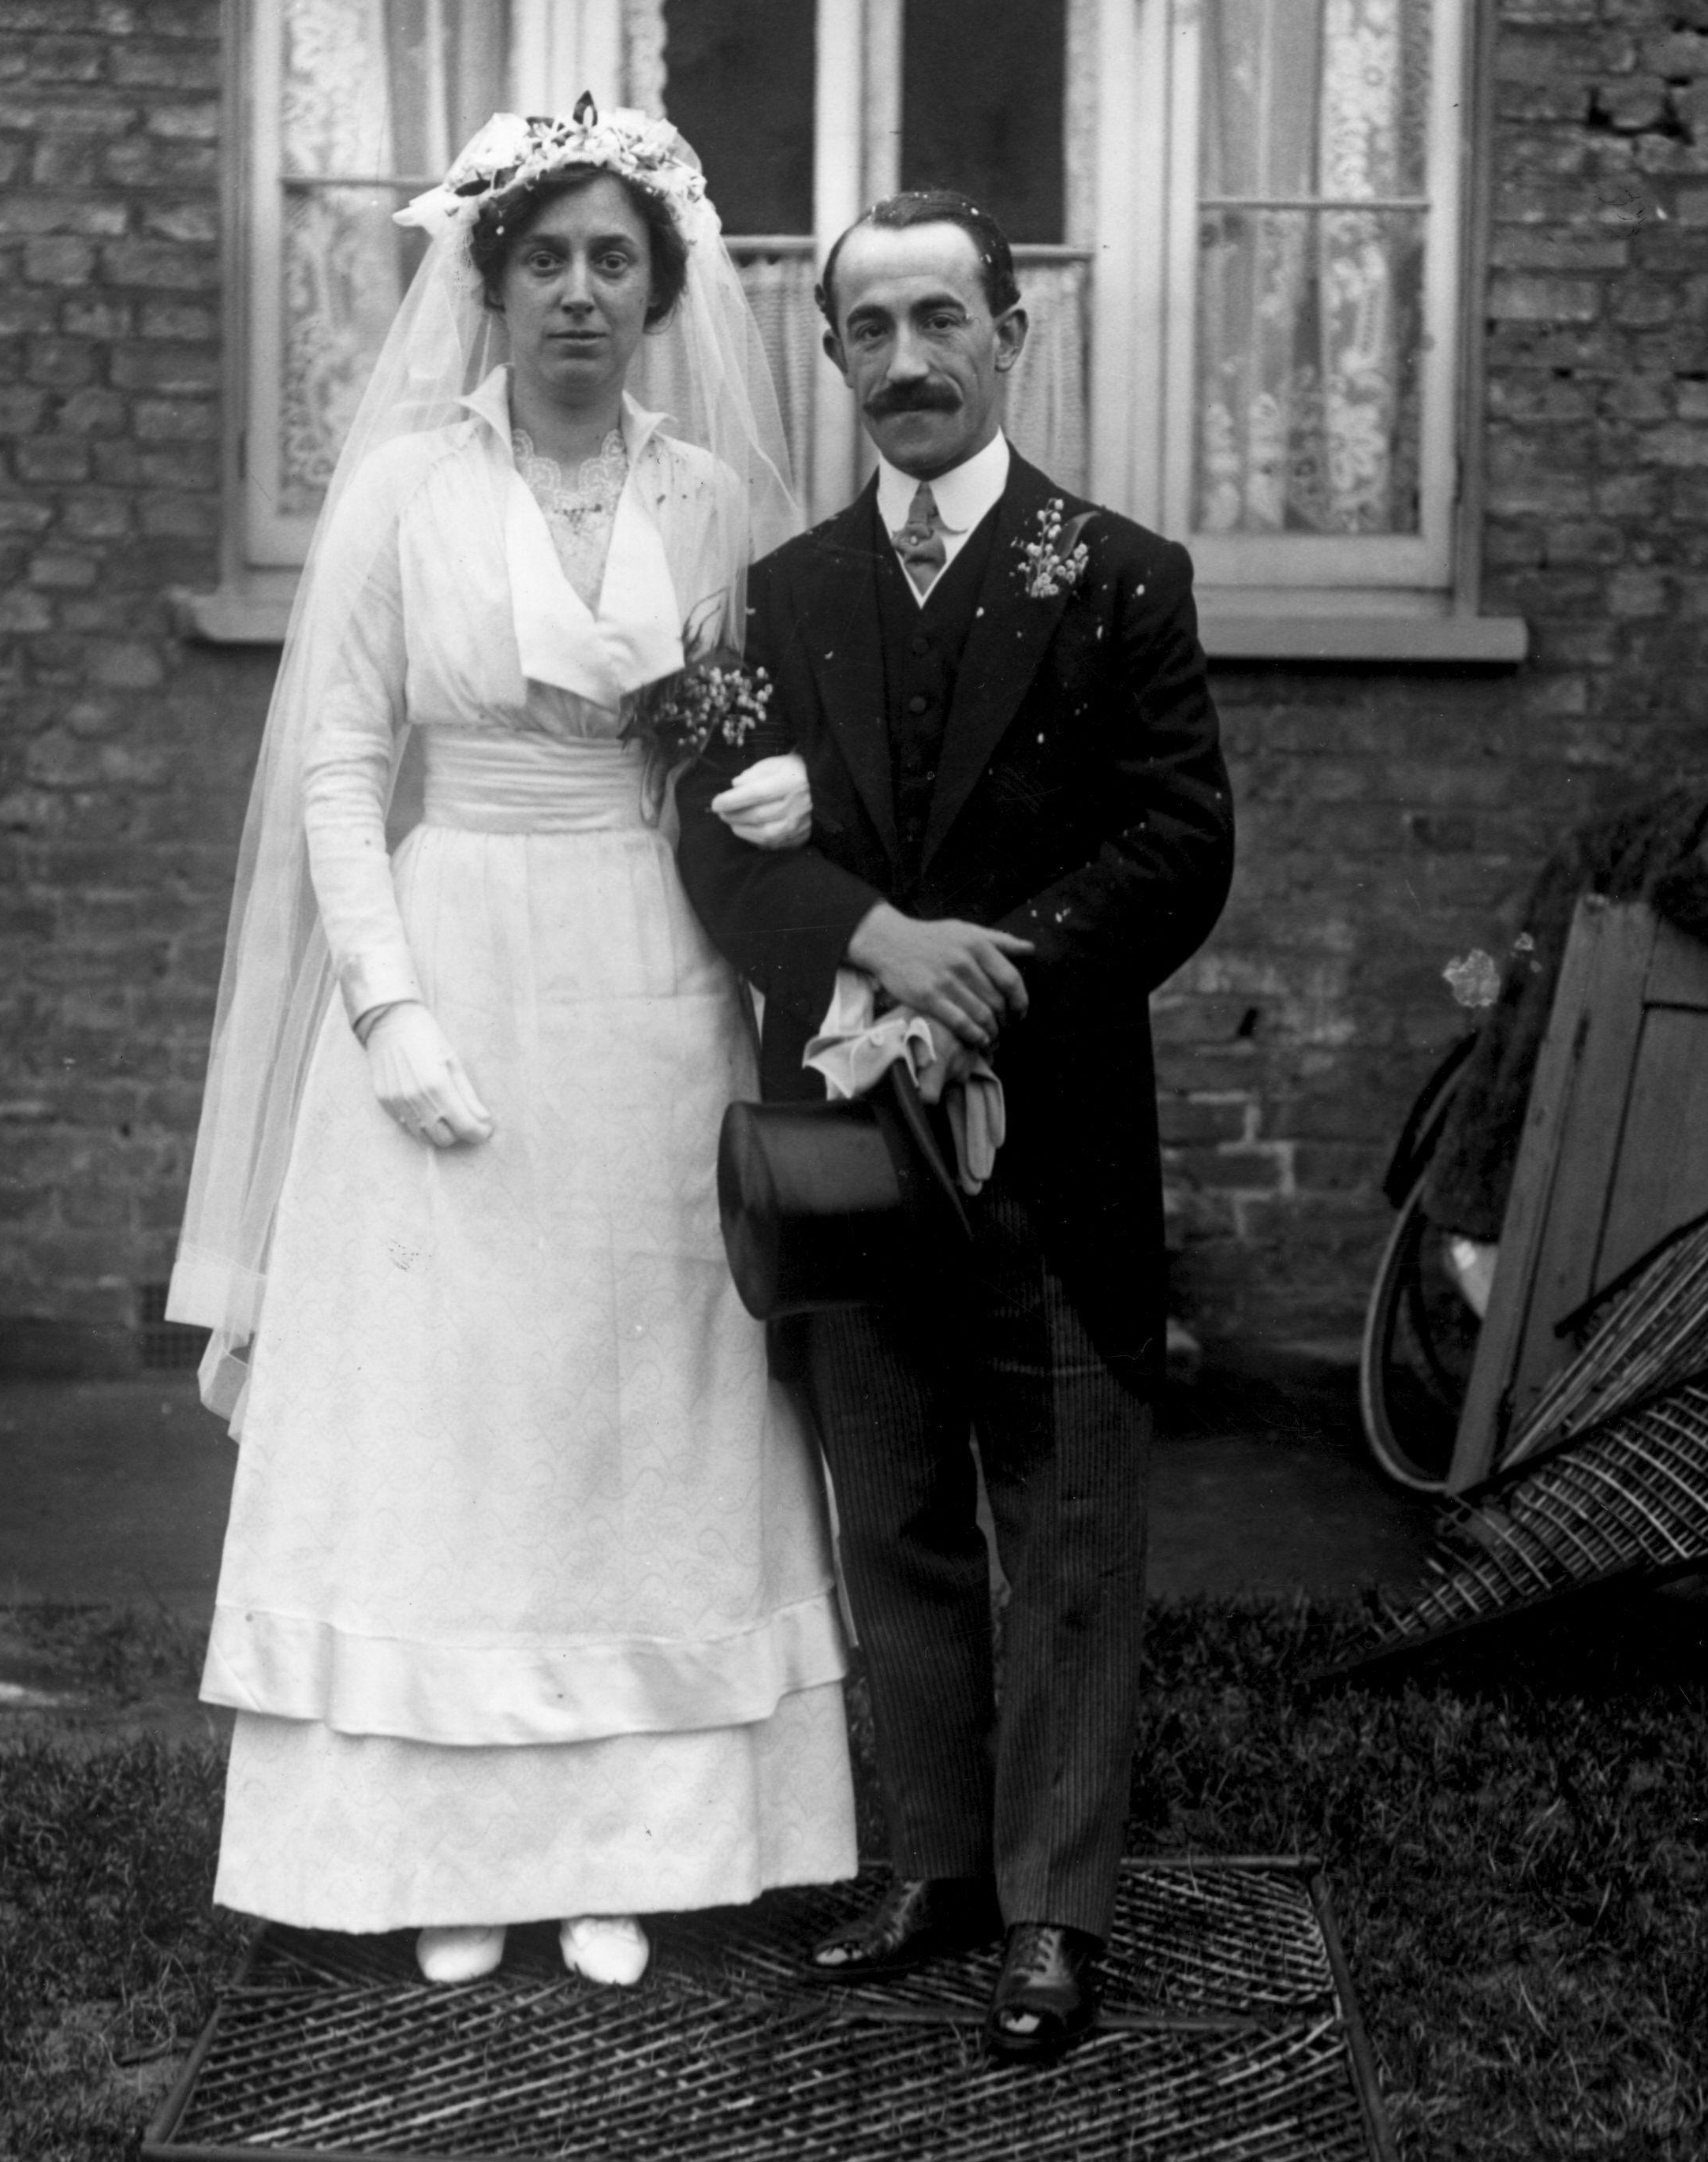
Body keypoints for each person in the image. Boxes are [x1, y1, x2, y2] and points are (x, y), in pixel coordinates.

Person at [166, 103, 854, 1990]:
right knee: (451, 1412)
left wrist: (775, 791)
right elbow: (332, 765)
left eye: (608, 261)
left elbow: (740, 754)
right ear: (486, 286)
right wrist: (384, 1006)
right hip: (455, 933)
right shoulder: (403, 491)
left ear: (655, 290)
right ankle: (437, 1849)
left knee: (632, 1409)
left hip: (651, 971)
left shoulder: (710, 499)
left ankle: (620, 1843)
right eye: (540, 259)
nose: (574, 294)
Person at [673, 190, 1235, 2061]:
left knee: (1063, 1529)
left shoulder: (1119, 573)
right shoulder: (774, 597)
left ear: (1012, 332)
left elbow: (1178, 842)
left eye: (941, 320)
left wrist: (1005, 969)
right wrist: (872, 941)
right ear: (829, 357)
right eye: (867, 331)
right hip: (844, 1147)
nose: (906, 361)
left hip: (1048, 1137)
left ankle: (1055, 1910)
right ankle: (932, 1866)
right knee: (890, 1507)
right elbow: (713, 846)